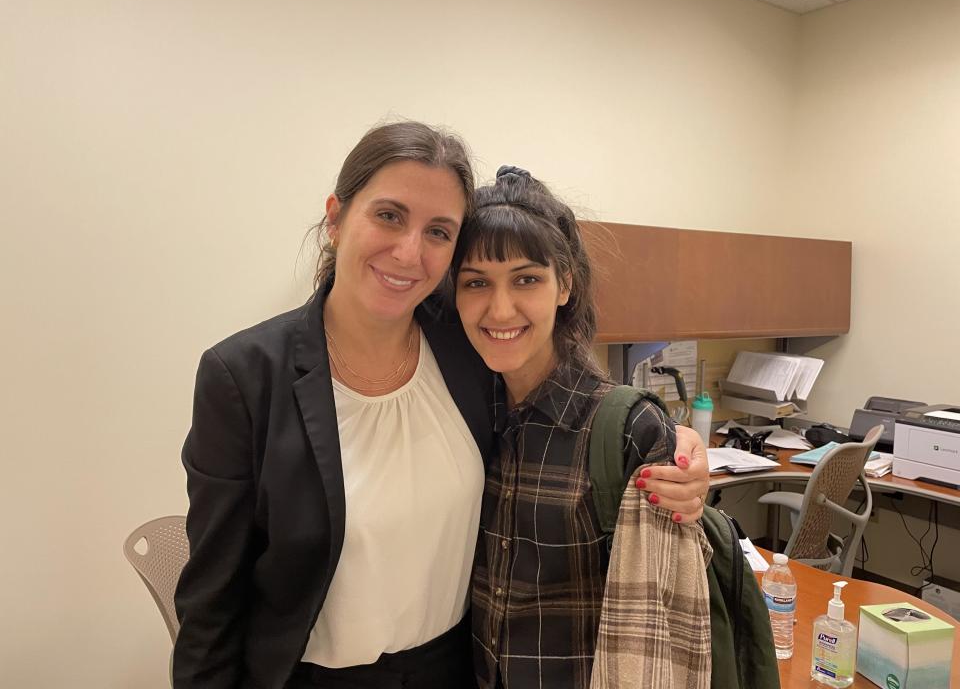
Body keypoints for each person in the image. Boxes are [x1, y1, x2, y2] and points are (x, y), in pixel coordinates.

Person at [173, 122, 710, 689]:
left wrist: (676, 444)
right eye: (388, 215)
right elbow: (213, 601)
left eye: (438, 231)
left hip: (455, 671)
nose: (409, 252)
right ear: (336, 218)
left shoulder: (464, 348)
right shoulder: (245, 376)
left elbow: (558, 397)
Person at [454, 166, 713, 689]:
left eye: (526, 279)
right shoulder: (460, 411)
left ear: (565, 284)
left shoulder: (625, 427)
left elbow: (666, 619)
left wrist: (682, 451)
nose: (499, 308)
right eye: (476, 282)